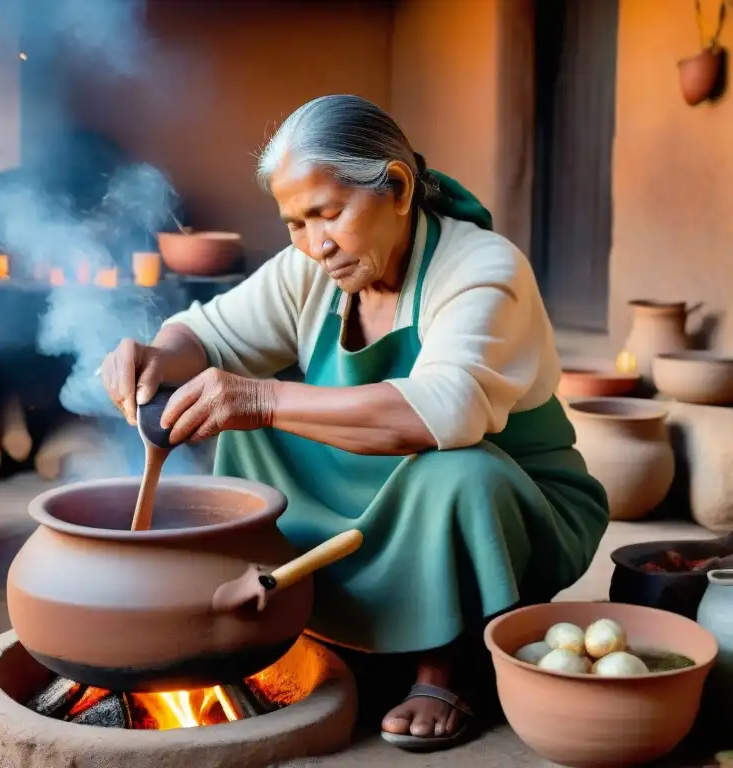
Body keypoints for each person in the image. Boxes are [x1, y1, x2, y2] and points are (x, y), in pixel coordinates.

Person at [100, 94, 609, 752]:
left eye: (328, 214)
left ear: (396, 187)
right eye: (295, 224)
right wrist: (157, 355)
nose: (316, 245)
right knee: (241, 422)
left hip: (508, 496)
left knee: (459, 472)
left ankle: (447, 666)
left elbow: (443, 412)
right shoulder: (309, 269)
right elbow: (205, 333)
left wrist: (260, 398)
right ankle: (294, 621)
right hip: (376, 475)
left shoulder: (483, 267)